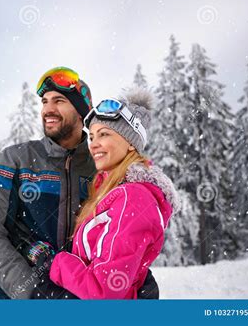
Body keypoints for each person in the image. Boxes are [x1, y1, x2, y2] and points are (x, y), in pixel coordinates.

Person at [0, 67, 160, 299]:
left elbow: (121, 237)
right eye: (44, 101)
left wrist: (138, 277)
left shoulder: (104, 168)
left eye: (59, 100)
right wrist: (32, 290)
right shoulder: (15, 159)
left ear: (80, 110)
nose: (48, 109)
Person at [31, 88, 180, 299]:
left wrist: (53, 263)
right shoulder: (112, 193)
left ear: (131, 144)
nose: (94, 144)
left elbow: (105, 291)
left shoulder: (134, 198)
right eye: (91, 136)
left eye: (104, 134)